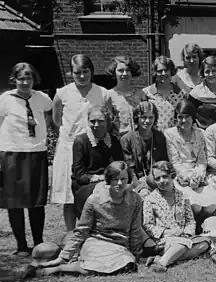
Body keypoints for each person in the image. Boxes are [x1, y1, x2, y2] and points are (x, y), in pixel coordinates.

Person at [25, 162, 144, 278]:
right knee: (91, 267)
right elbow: (82, 230)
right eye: (115, 179)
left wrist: (136, 253)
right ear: (108, 179)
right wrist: (64, 256)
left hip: (119, 244)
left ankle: (66, 268)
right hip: (96, 241)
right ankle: (58, 268)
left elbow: (135, 229)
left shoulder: (135, 200)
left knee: (127, 264)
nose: (119, 183)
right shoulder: (94, 200)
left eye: (123, 179)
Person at [52, 54, 113, 230]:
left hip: (93, 149)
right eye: (77, 72)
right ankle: (71, 232)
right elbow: (57, 121)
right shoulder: (62, 93)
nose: (81, 76)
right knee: (68, 196)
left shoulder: (103, 93)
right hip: (68, 147)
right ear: (71, 73)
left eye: (85, 72)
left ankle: (95, 231)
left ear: (91, 71)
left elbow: (107, 120)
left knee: (94, 192)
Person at [0, 63, 54, 255]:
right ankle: (21, 245)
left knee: (36, 201)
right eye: (21, 78)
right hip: (12, 152)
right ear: (14, 79)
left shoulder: (42, 98)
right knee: (15, 201)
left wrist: (43, 132)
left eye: (29, 78)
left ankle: (38, 243)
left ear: (34, 79)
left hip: (36, 152)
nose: (25, 82)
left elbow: (51, 113)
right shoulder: (5, 99)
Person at [141, 161, 211, 272]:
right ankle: (162, 263)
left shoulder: (182, 196)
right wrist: (166, 232)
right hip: (164, 240)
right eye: (158, 178)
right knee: (182, 243)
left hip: (184, 237)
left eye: (165, 177)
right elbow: (148, 225)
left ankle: (161, 259)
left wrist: (187, 233)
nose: (162, 181)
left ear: (172, 176)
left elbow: (190, 221)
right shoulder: (150, 200)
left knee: (205, 243)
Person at [165, 101, 216, 227]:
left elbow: (202, 159)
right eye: (180, 117)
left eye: (187, 117)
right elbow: (175, 161)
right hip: (180, 175)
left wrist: (198, 176)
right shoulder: (170, 134)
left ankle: (204, 227)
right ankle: (192, 227)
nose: (184, 120)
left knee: (210, 206)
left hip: (197, 174)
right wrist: (188, 178)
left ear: (193, 117)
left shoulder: (200, 133)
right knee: (195, 206)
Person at [72, 105, 127, 215]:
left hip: (111, 182)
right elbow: (79, 174)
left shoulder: (114, 141)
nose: (96, 125)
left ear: (107, 122)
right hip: (86, 185)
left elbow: (120, 166)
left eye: (100, 121)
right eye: (92, 121)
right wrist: (101, 179)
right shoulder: (81, 141)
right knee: (102, 195)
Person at [120, 101, 169, 195]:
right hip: (136, 181)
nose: (147, 121)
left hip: (157, 179)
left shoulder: (160, 136)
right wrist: (140, 187)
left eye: (151, 117)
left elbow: (163, 162)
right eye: (143, 117)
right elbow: (131, 170)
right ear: (137, 118)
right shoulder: (126, 139)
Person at [105, 56, 146, 136]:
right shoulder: (109, 95)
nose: (125, 73)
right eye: (120, 71)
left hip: (139, 139)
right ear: (114, 72)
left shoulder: (141, 95)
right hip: (119, 140)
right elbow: (108, 122)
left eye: (128, 70)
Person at [142, 56, 185, 131]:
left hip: (173, 137)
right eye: (160, 71)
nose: (163, 73)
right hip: (153, 137)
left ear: (171, 71)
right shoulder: (146, 93)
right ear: (155, 72)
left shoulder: (180, 94)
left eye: (166, 70)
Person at [186, 56, 216, 129]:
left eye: (214, 71)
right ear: (203, 73)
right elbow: (189, 116)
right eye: (207, 71)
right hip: (203, 133)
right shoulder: (195, 94)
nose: (211, 74)